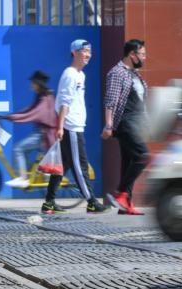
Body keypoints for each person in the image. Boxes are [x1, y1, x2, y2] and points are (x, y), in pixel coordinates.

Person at [42, 39, 111, 215]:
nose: (88, 55)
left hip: (76, 126)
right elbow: (64, 102)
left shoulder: (81, 75)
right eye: (84, 51)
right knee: (80, 166)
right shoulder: (70, 74)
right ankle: (92, 202)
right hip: (70, 126)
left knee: (63, 165)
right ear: (74, 53)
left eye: (89, 51)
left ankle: (49, 202)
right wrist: (60, 127)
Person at [103, 39, 149, 216]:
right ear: (132, 55)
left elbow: (141, 101)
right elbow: (111, 100)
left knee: (128, 162)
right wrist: (108, 125)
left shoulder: (135, 74)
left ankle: (126, 205)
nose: (144, 57)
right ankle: (121, 193)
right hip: (125, 122)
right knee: (143, 156)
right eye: (142, 54)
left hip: (137, 123)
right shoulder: (117, 73)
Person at [1, 70, 57, 189]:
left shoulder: (46, 98)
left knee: (17, 148)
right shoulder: (42, 96)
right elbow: (29, 109)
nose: (31, 85)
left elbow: (33, 113)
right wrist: (10, 116)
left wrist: (12, 117)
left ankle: (22, 178)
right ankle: (33, 174)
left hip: (45, 135)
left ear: (38, 84)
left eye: (33, 83)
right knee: (24, 151)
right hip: (43, 133)